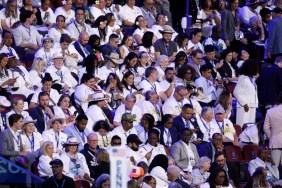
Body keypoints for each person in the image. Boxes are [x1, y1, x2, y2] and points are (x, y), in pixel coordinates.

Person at [233, 59, 259, 127]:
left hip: (252, 106)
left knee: (250, 127)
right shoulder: (243, 78)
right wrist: (244, 104)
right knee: (243, 126)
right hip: (244, 107)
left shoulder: (252, 78)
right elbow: (236, 92)